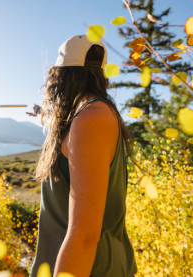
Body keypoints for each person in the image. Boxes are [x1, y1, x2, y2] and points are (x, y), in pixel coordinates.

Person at [26, 35, 137, 277]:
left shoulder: (90, 120)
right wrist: (42, 114)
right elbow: (66, 130)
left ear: (61, 75)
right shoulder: (88, 116)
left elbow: (85, 237)